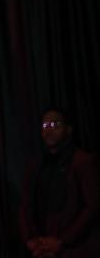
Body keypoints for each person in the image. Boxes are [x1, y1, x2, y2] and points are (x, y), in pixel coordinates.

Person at [21, 109, 100, 257]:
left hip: (76, 248)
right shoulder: (36, 166)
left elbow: (93, 206)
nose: (49, 130)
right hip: (41, 247)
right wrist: (31, 239)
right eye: (45, 125)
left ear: (68, 129)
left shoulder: (82, 162)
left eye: (55, 125)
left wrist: (63, 241)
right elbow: (25, 205)